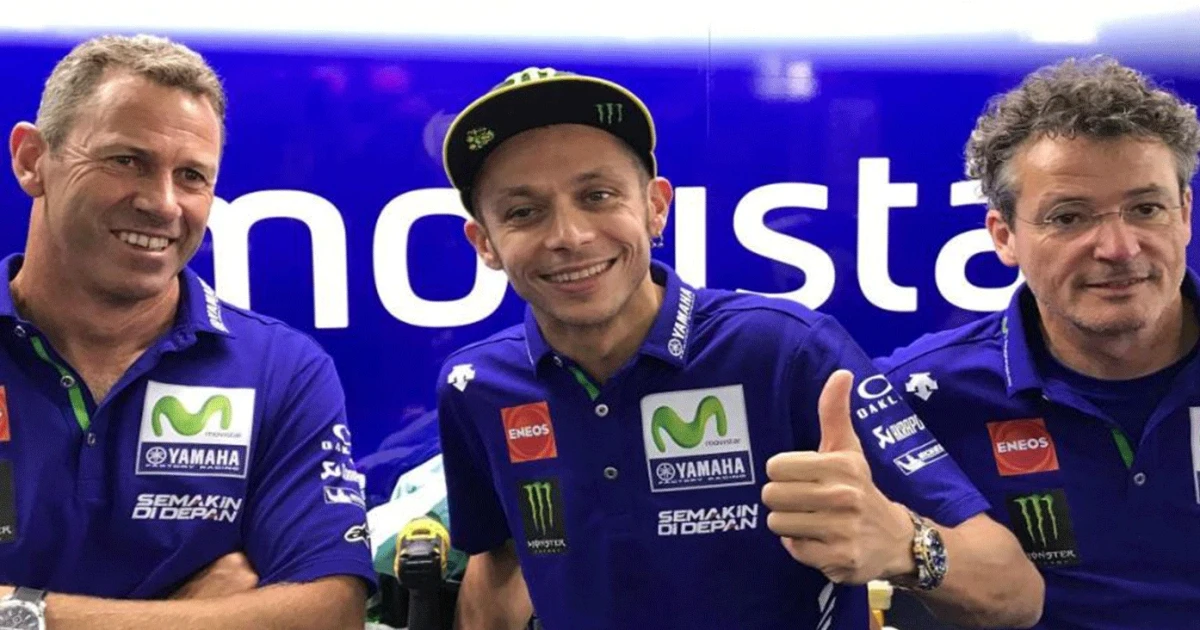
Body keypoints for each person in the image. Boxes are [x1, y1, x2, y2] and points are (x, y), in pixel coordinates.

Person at [433, 66, 1043, 630]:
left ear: (655, 208)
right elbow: (499, 563)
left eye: (597, 196)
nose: (568, 235)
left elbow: (1014, 591)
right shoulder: (477, 386)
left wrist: (902, 545)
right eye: (524, 211)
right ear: (484, 243)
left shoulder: (787, 351)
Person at [0, 34, 375, 629]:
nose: (163, 203)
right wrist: (195, 616)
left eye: (193, 176)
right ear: (31, 161)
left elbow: (328, 613)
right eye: (127, 160)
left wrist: (19, 611)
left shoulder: (281, 370)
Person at [876, 56, 1200, 629]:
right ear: (1004, 236)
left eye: (1146, 209)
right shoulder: (917, 399)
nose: (1119, 248)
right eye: (1069, 217)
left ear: (1185, 215)